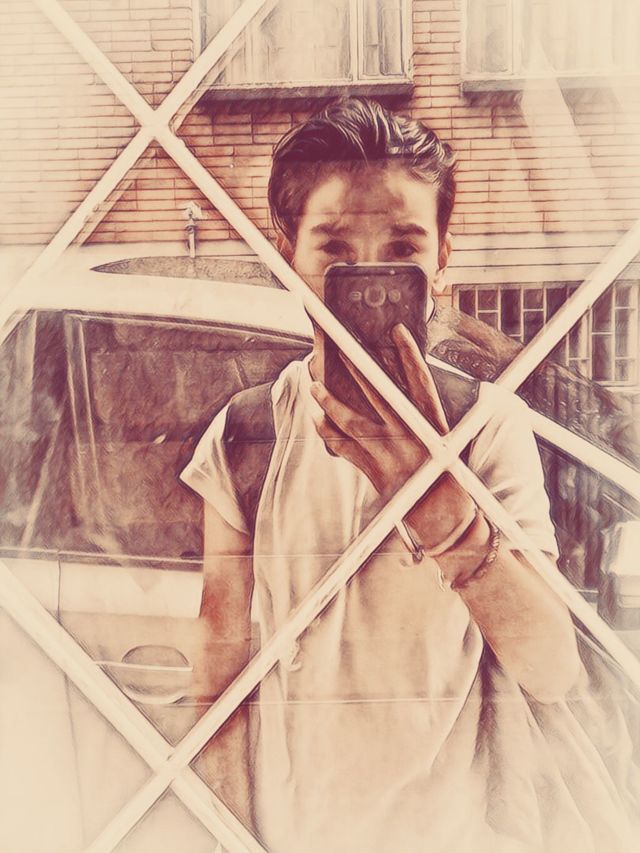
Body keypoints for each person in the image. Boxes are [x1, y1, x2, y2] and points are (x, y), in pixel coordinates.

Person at [181, 98, 638, 852]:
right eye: (334, 249)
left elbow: (552, 667)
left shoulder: (485, 427)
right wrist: (228, 831)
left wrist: (441, 505)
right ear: (287, 255)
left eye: (402, 247)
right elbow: (219, 657)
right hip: (297, 830)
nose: (368, 277)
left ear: (442, 257)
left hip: (455, 830)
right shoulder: (248, 434)